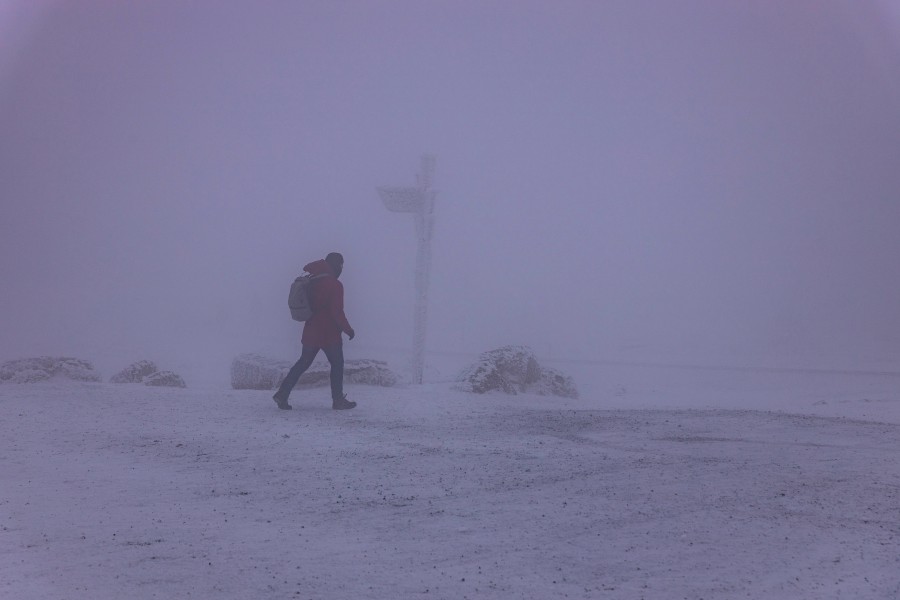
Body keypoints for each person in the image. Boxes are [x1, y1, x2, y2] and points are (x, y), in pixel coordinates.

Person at [273, 252, 356, 411]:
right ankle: (338, 400)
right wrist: (348, 330)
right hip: (330, 334)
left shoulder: (312, 280)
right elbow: (337, 311)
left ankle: (282, 394)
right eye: (341, 265)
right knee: (337, 364)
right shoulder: (335, 285)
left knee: (302, 363)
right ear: (335, 265)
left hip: (311, 331)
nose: (341, 268)